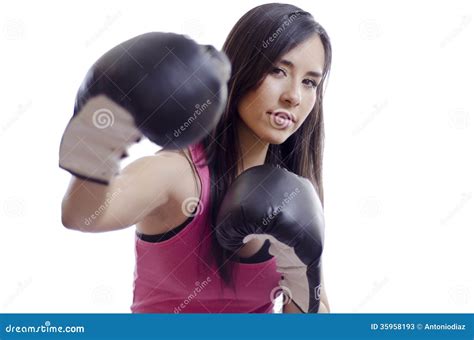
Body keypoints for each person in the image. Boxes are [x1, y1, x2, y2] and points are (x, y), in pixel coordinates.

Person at [60, 2, 332, 313]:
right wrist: (97, 133)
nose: (294, 96)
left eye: (310, 82)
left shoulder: (294, 192)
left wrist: (301, 277)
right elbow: (80, 216)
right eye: (278, 70)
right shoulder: (180, 174)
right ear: (243, 67)